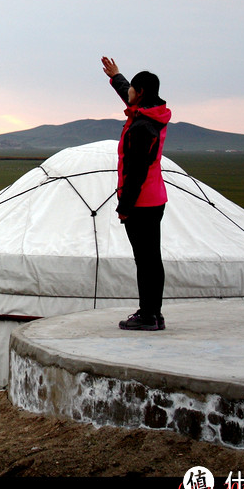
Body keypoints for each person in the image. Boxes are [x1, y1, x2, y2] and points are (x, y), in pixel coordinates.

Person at [101, 56, 172, 331]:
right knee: (152, 258)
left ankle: (147, 315)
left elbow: (136, 171)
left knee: (145, 261)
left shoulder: (142, 127)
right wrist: (116, 76)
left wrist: (124, 207)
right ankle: (155, 313)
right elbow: (129, 95)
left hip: (141, 202)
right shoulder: (152, 113)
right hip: (155, 198)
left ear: (140, 93)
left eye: (132, 87)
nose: (128, 90)